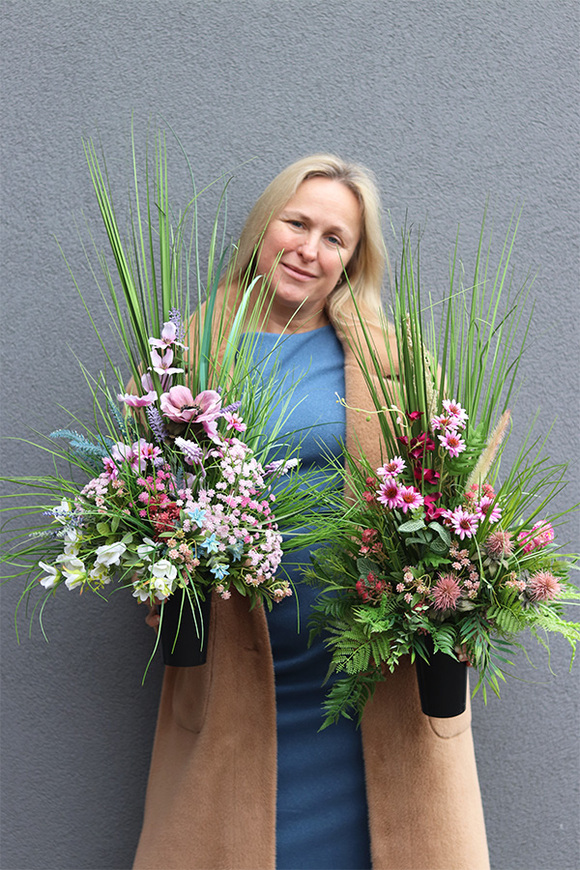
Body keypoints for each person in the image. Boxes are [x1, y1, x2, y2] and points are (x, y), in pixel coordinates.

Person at [133, 155, 489, 870]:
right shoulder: (189, 355)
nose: (309, 249)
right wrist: (166, 587)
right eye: (297, 222)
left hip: (371, 677)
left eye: (336, 238)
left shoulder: (393, 361)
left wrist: (453, 590)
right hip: (240, 681)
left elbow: (458, 500)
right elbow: (150, 508)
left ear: (354, 261)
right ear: (264, 226)